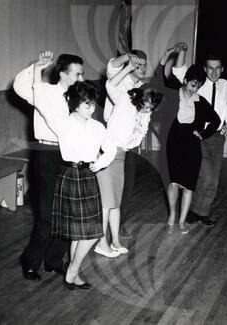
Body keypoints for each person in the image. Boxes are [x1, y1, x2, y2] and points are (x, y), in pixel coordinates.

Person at [31, 51, 117, 289]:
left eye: (93, 104)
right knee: (87, 232)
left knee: (86, 232)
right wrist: (38, 69)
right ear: (75, 104)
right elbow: (41, 100)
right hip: (68, 176)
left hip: (88, 176)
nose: (91, 108)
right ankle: (72, 272)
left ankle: (72, 271)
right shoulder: (62, 124)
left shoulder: (98, 127)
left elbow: (110, 149)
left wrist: (97, 165)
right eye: (87, 104)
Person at [13, 52, 85, 280]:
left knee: (66, 214)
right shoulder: (44, 92)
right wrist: (37, 66)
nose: (81, 79)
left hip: (69, 155)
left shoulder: (78, 97)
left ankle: (54, 260)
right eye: (77, 74)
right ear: (62, 74)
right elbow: (18, 86)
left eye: (82, 74)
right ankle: (29, 260)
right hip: (46, 155)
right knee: (46, 216)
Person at [95, 56, 163, 257]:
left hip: (121, 155)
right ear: (140, 96)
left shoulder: (144, 112)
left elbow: (135, 139)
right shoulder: (123, 98)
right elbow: (110, 83)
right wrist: (127, 69)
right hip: (107, 153)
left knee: (115, 202)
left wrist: (144, 116)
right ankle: (101, 242)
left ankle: (115, 240)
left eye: (151, 106)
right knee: (106, 204)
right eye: (147, 104)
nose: (148, 108)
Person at [172, 54, 227, 226]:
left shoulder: (225, 85)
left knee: (213, 180)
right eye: (210, 68)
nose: (214, 71)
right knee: (204, 177)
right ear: (204, 69)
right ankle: (192, 210)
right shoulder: (198, 83)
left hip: (217, 137)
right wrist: (181, 53)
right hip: (198, 138)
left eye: (218, 68)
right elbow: (179, 73)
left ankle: (202, 212)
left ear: (222, 69)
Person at [163, 43, 220, 234]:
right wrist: (181, 52)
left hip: (192, 145)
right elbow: (169, 72)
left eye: (199, 86)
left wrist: (202, 134)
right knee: (173, 182)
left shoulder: (201, 102)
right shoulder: (173, 93)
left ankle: (181, 221)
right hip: (173, 142)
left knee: (188, 185)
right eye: (193, 84)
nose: (195, 88)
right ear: (185, 80)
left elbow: (216, 120)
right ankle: (172, 215)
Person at [104, 49, 149, 239]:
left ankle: (118, 226)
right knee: (108, 188)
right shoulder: (120, 79)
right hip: (113, 141)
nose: (143, 68)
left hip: (130, 144)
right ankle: (101, 229)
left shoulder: (143, 87)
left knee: (127, 187)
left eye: (145, 65)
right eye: (139, 65)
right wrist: (129, 59)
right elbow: (112, 66)